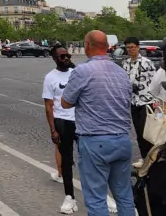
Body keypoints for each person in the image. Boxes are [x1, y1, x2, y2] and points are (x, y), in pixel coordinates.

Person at [60, 30, 136, 216]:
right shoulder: (121, 71)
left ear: (87, 45)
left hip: (95, 141)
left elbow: (65, 102)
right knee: (125, 196)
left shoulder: (83, 71)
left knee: (96, 199)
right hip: (122, 139)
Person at [43, 43, 78, 214]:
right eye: (62, 56)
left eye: (68, 56)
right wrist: (53, 130)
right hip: (62, 122)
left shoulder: (77, 73)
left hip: (81, 121)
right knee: (66, 162)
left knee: (91, 160)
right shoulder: (50, 77)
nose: (66, 59)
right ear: (54, 59)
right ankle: (69, 197)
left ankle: (102, 195)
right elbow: (49, 105)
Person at [121, 36, 157, 159]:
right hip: (133, 101)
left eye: (132, 47)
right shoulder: (125, 63)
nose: (130, 49)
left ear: (138, 47)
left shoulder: (147, 63)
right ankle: (144, 158)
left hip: (147, 101)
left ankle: (151, 159)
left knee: (147, 133)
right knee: (138, 133)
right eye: (128, 48)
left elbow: (155, 82)